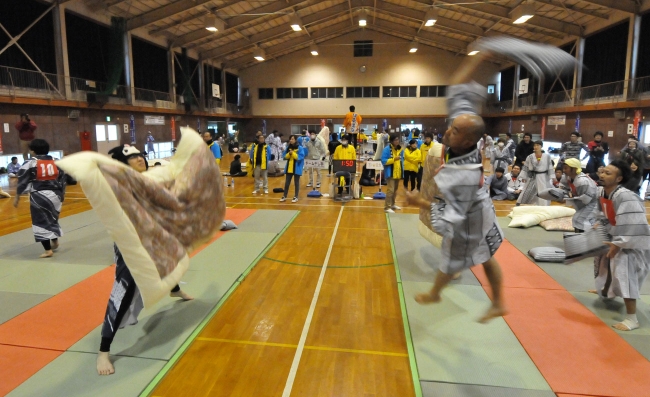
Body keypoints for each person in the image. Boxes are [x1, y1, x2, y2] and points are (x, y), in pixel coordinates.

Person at [404, 51, 506, 323]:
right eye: (451, 127)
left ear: (469, 141)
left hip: (470, 214)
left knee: (451, 256)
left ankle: (436, 292)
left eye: (455, 132)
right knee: (487, 258)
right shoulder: (465, 132)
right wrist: (476, 59)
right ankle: (498, 302)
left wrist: (418, 202)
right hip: (480, 205)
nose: (448, 131)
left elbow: (448, 212)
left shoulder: (461, 173)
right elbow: (458, 85)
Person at [96, 144, 192, 376]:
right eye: (134, 157)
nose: (141, 159)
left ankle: (174, 289)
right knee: (124, 291)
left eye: (141, 155)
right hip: (131, 246)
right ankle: (104, 351)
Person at [592, 159, 650, 331]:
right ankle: (606, 289)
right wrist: (600, 225)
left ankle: (632, 318)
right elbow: (603, 214)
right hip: (615, 234)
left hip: (633, 242)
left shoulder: (626, 196)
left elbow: (634, 225)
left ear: (619, 179)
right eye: (602, 171)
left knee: (624, 271)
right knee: (602, 259)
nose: (602, 174)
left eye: (608, 173)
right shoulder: (601, 191)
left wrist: (619, 244)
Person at [13, 139, 66, 258]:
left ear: (33, 150)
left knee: (40, 222)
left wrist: (17, 196)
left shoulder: (30, 163)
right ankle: (55, 242)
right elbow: (63, 179)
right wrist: (62, 194)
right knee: (52, 218)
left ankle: (48, 250)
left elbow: (22, 180)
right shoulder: (56, 161)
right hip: (56, 195)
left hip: (40, 195)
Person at [561, 158, 599, 233]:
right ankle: (580, 238)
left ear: (574, 169)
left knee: (580, 219)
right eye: (563, 168)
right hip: (582, 200)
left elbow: (586, 199)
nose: (564, 170)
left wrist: (568, 198)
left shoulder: (582, 181)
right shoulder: (567, 177)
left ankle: (585, 238)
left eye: (566, 168)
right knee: (578, 219)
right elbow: (563, 186)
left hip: (593, 202)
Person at [517, 140, 554, 206]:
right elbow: (526, 167)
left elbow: (550, 167)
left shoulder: (547, 156)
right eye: (534, 145)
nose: (536, 147)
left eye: (538, 145)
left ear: (541, 146)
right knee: (527, 190)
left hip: (543, 176)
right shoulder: (530, 157)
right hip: (532, 176)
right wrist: (524, 176)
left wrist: (552, 177)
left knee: (543, 191)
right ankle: (522, 204)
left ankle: (544, 206)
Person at [381, 134, 404, 213]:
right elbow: (383, 161)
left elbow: (402, 160)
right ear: (391, 141)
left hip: (398, 172)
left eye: (398, 140)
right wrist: (394, 159)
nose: (397, 141)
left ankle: (393, 204)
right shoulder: (387, 149)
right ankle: (387, 207)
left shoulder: (400, 149)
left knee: (395, 190)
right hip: (390, 172)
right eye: (395, 140)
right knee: (390, 190)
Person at [280, 135, 305, 203]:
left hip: (297, 168)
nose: (291, 140)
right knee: (287, 183)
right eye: (290, 139)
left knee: (296, 183)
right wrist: (289, 154)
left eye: (292, 139)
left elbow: (300, 157)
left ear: (295, 140)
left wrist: (293, 153)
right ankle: (284, 196)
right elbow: (284, 156)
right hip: (289, 168)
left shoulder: (300, 148)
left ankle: (296, 196)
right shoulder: (288, 147)